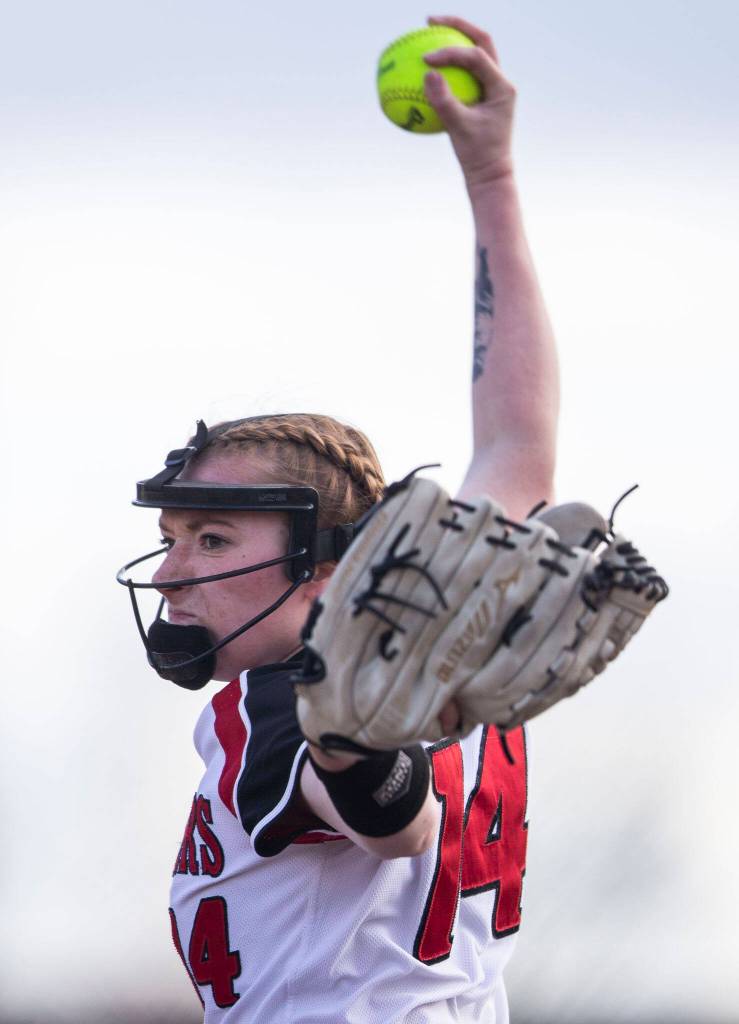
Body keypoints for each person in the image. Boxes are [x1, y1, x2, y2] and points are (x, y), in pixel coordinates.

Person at [120, 15, 559, 1022]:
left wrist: (353, 734)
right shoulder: (446, 640)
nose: (171, 571)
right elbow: (517, 446)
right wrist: (490, 178)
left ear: (325, 568)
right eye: (172, 538)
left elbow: (386, 816)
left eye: (215, 538)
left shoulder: (280, 701)